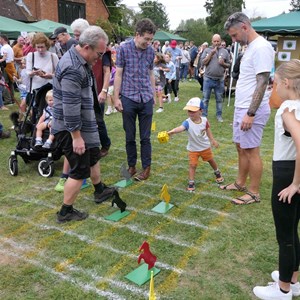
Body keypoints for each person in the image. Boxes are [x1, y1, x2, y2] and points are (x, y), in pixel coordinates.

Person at [51, 25, 116, 223]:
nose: (100, 57)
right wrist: (76, 137)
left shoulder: (81, 59)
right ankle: (65, 211)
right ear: (87, 47)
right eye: (99, 53)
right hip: (70, 128)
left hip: (84, 122)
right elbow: (70, 107)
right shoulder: (72, 67)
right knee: (79, 169)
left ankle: (99, 190)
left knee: (93, 155)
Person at [252, 60, 300, 300]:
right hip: (293, 170)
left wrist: (295, 183)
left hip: (287, 173)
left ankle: (283, 290)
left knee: (285, 236)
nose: (274, 88)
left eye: (276, 83)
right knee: (292, 230)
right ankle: (293, 280)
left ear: (287, 83)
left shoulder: (288, 108)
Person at [220, 12, 274, 205]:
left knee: (251, 150)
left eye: (234, 35)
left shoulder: (261, 47)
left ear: (244, 27)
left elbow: (262, 82)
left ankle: (253, 192)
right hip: (241, 107)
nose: (233, 40)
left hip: (252, 110)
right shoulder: (250, 47)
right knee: (241, 147)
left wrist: (250, 113)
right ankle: (240, 183)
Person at [114, 18, 156, 181]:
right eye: (146, 39)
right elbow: (118, 74)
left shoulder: (151, 51)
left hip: (145, 98)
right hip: (128, 97)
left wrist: (152, 94)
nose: (148, 42)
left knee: (145, 137)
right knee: (129, 135)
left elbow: (151, 74)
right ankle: (132, 166)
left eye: (150, 39)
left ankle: (146, 169)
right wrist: (116, 98)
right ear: (137, 35)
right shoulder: (123, 49)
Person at [167, 97, 224, 192]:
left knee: (210, 160)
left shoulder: (205, 120)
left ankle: (217, 172)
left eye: (193, 111)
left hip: (205, 147)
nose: (190, 113)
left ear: (201, 111)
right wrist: (172, 131)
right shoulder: (187, 122)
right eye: (189, 111)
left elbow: (208, 129)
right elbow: (180, 128)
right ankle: (191, 182)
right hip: (193, 149)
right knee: (192, 165)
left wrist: (212, 140)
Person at [200, 34, 230, 122]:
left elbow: (229, 65)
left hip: (220, 79)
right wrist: (211, 54)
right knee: (205, 99)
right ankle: (204, 116)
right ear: (212, 41)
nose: (216, 43)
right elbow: (203, 62)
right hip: (208, 78)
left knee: (219, 99)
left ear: (220, 41)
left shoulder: (225, 51)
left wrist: (223, 64)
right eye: (214, 41)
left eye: (218, 41)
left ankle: (219, 116)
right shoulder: (207, 50)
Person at [0, 34, 18, 102]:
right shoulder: (10, 47)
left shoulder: (3, 48)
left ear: (2, 39)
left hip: (6, 66)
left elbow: (3, 58)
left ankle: (8, 99)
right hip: (11, 65)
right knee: (10, 83)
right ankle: (12, 99)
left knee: (5, 83)